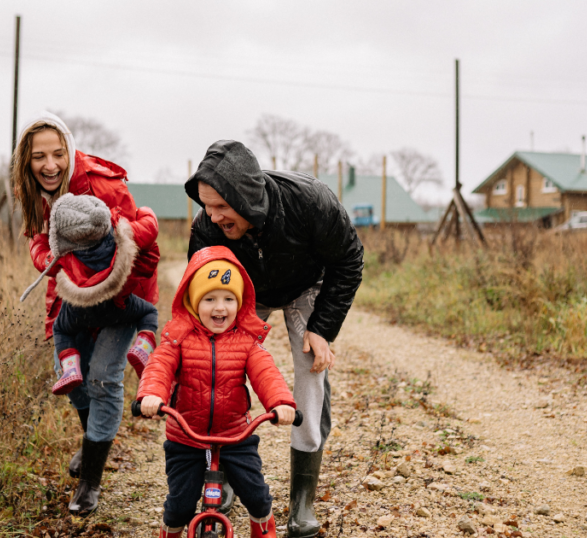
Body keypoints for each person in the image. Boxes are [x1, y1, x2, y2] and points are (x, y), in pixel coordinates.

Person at [185, 140, 363, 537]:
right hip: (244, 291)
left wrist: (322, 329)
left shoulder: (310, 202)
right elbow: (198, 289)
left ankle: (303, 502)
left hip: (306, 285)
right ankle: (223, 469)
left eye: (220, 207)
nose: (211, 217)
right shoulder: (206, 229)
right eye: (206, 206)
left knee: (310, 371)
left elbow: (349, 260)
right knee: (221, 364)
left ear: (244, 196)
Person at [11, 111, 160, 513]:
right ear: (26, 161)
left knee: (103, 378)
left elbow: (142, 243)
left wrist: (111, 291)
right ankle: (91, 442)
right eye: (39, 156)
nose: (50, 165)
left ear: (70, 151)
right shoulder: (32, 191)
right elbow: (36, 240)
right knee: (71, 376)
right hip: (71, 295)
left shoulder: (98, 184)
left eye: (58, 153)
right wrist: (51, 260)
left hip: (121, 297)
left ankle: (90, 484)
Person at [137, 246, 296, 538]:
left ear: (240, 303)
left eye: (228, 299)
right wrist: (152, 395)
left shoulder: (247, 342)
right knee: (179, 506)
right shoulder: (179, 338)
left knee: (257, 495)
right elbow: (159, 365)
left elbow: (266, 373)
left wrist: (281, 403)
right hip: (186, 437)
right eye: (209, 299)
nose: (219, 308)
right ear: (194, 302)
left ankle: (264, 529)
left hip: (235, 436)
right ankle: (170, 532)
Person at [19, 193, 159, 396]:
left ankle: (70, 368)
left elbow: (41, 260)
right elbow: (150, 232)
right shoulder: (119, 239)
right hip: (116, 306)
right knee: (149, 312)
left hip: (78, 310)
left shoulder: (63, 255)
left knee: (61, 329)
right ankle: (143, 347)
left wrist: (37, 236)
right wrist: (143, 212)